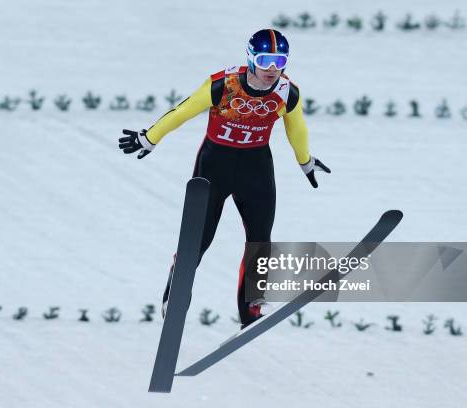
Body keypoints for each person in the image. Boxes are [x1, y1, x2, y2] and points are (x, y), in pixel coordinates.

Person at [118, 29, 330, 327]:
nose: (272, 69)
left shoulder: (287, 92)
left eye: (279, 61)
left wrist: (305, 162)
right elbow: (183, 111)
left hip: (256, 167)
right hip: (215, 164)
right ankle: (175, 295)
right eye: (265, 60)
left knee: (260, 240)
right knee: (197, 240)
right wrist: (149, 138)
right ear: (251, 58)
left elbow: (297, 129)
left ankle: (251, 308)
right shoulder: (223, 84)